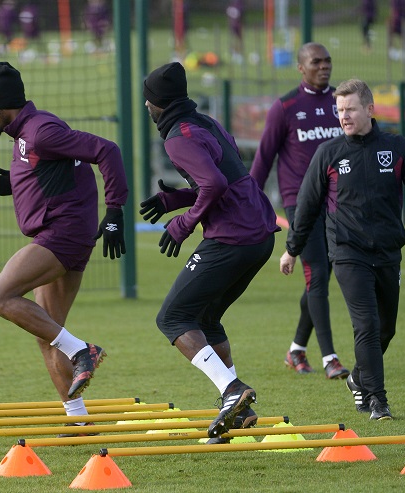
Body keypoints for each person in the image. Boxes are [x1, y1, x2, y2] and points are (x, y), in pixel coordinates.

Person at [279, 78, 405, 420]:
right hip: (348, 253)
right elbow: (306, 206)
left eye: (350, 109)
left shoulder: (396, 148)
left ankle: (359, 380)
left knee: (385, 329)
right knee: (366, 324)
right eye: (339, 110)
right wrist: (292, 249)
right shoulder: (329, 153)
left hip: (388, 253)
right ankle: (377, 401)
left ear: (370, 110)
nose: (344, 116)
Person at [0, 62, 128, 435]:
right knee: (46, 332)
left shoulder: (41, 130)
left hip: (60, 235)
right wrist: (13, 184)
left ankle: (81, 350)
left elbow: (106, 150)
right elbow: (56, 172)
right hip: (64, 234)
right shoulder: (27, 132)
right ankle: (78, 421)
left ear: (3, 105)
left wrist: (115, 212)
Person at [140, 62, 280, 443]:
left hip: (233, 237)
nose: (147, 107)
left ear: (156, 103)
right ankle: (238, 408)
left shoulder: (176, 138)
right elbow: (227, 177)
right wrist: (175, 198)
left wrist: (184, 223)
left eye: (147, 100)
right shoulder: (205, 123)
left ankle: (233, 391)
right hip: (260, 234)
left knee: (172, 318)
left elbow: (214, 183)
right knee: (207, 317)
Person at [249, 42, 349, 380]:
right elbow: (263, 159)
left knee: (321, 278)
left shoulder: (341, 102)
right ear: (301, 68)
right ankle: (331, 358)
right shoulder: (286, 106)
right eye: (316, 62)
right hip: (299, 203)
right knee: (317, 274)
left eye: (328, 61)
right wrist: (248, 202)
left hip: (337, 203)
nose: (324, 66)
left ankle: (296, 350)